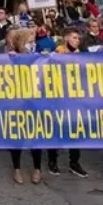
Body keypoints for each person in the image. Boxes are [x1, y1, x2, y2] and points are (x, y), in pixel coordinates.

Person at [47, 28, 89, 178]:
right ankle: (53, 161)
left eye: (78, 38)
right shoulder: (56, 53)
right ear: (66, 38)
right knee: (57, 129)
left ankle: (74, 163)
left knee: (75, 130)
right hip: (58, 97)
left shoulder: (82, 55)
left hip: (76, 98)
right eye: (74, 37)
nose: (76, 40)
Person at [7, 29, 43, 185]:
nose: (32, 43)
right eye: (30, 40)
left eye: (33, 40)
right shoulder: (11, 56)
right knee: (18, 136)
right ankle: (16, 169)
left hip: (35, 101)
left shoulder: (39, 54)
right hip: (18, 102)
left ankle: (37, 169)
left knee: (36, 136)